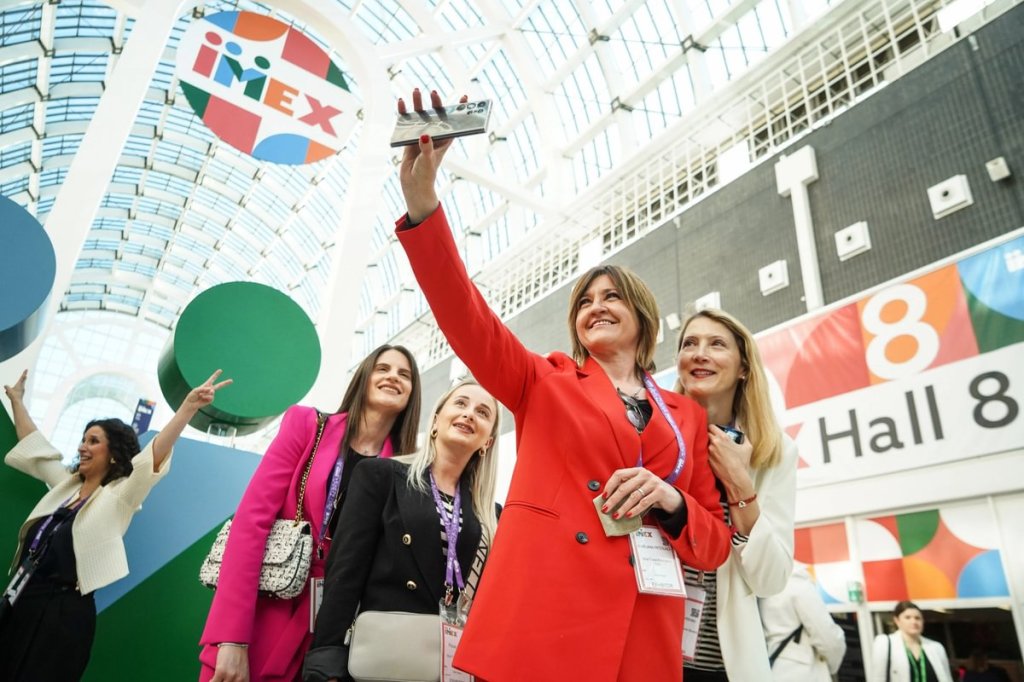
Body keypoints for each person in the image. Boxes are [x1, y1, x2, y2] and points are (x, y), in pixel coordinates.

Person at [392, 88, 731, 682]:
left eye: (612, 297)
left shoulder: (686, 415)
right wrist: (424, 207)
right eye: (585, 301)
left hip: (639, 634)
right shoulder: (544, 380)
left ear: (643, 315)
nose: (596, 306)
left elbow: (714, 544)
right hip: (543, 622)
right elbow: (466, 317)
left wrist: (671, 500)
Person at [199, 345, 422, 682]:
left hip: (334, 627)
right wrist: (231, 636)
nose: (393, 377)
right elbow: (251, 523)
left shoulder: (405, 470)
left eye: (404, 374)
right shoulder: (307, 425)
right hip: (266, 608)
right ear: (364, 378)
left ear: (412, 393)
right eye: (383, 368)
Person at [1, 367, 231, 681]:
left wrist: (188, 408)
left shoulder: (119, 496)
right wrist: (16, 400)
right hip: (21, 597)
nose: (83, 446)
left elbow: (151, 457)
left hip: (62, 614)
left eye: (93, 441)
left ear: (112, 455)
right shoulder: (65, 486)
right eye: (83, 439)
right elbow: (37, 450)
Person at [302, 380, 501, 682]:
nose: (469, 414)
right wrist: (326, 660)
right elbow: (345, 572)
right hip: (382, 658)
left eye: (483, 412)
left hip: (449, 666)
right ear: (435, 421)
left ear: (487, 441)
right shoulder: (381, 476)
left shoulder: (492, 516)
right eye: (460, 403)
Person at [674, 308, 798, 681]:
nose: (700, 353)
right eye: (689, 344)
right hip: (649, 650)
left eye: (717, 344)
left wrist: (740, 485)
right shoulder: (654, 433)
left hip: (719, 664)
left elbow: (771, 579)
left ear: (743, 367)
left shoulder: (774, 451)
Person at [759, 565, 846, 681]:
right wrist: (833, 667)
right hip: (803, 672)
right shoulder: (793, 577)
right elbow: (828, 638)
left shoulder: (757, 580)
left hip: (773, 670)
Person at [870, 601, 953, 682]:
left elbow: (946, 677)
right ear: (897, 620)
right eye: (907, 617)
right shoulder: (885, 643)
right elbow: (878, 678)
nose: (914, 622)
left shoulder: (936, 647)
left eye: (917, 618)